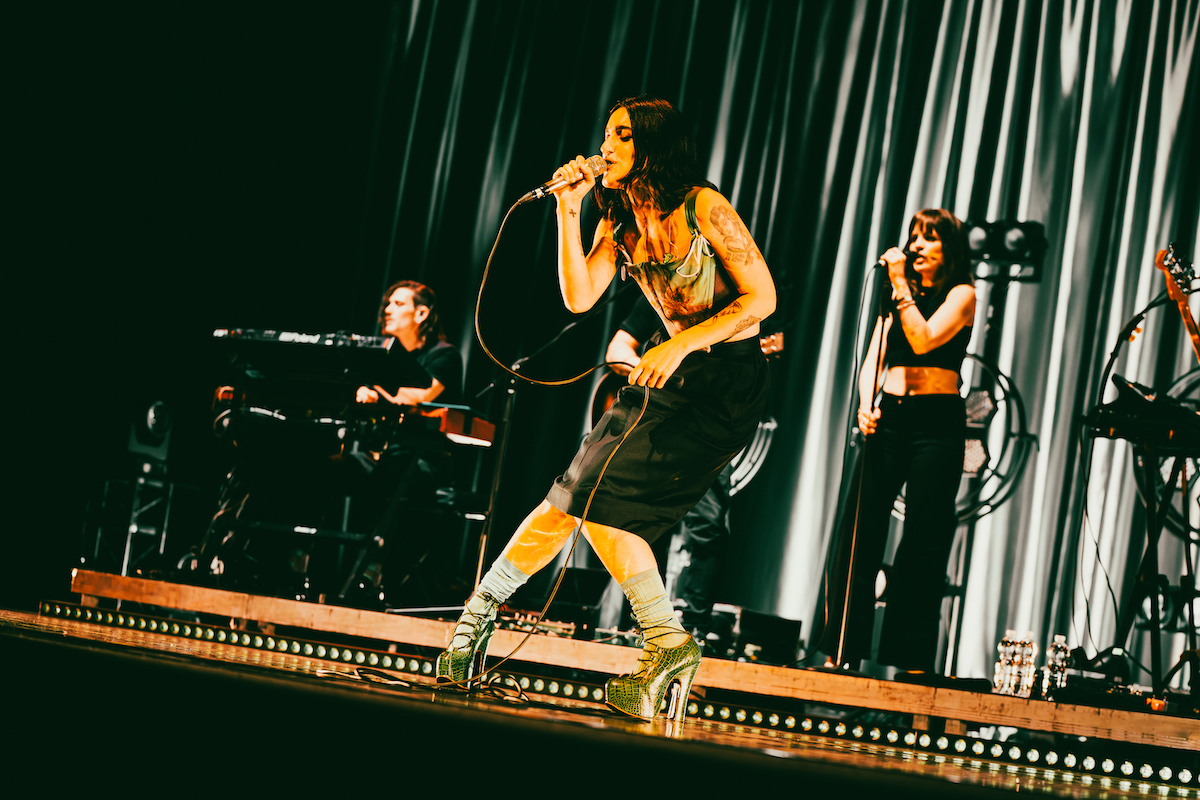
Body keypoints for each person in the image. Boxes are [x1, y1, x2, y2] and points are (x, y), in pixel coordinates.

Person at [435, 96, 775, 721]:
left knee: (594, 498)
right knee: (573, 493)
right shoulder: (616, 220)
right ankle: (479, 625)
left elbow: (763, 298)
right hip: (667, 370)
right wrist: (568, 211)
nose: (606, 146)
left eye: (622, 135)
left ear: (653, 147)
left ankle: (657, 641)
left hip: (724, 379)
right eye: (607, 134)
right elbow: (579, 297)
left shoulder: (703, 205)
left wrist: (678, 344)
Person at [822, 208, 975, 673]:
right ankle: (842, 649)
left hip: (936, 424)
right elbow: (876, 355)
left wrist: (901, 286)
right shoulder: (896, 296)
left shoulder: (962, 294)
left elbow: (924, 339)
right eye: (914, 236)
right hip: (889, 416)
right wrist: (865, 404)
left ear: (950, 249)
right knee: (860, 529)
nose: (917, 246)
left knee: (924, 536)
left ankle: (908, 658)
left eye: (930, 238)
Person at [605, 300, 734, 647]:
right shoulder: (658, 298)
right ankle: (642, 622)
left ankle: (694, 628)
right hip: (655, 426)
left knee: (707, 527)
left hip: (706, 431)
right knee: (641, 525)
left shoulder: (726, 303)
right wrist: (649, 369)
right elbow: (617, 349)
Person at [357, 280, 463, 407]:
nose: (387, 310)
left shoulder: (445, 354)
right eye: (388, 304)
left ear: (421, 314)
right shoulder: (387, 354)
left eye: (398, 304)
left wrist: (375, 389)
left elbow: (419, 397)